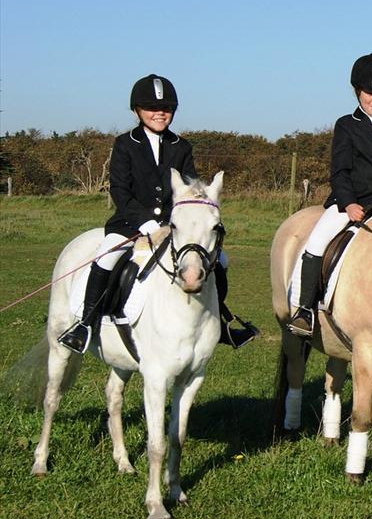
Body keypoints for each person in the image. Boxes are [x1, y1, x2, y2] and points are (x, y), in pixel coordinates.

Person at [57, 74, 258, 353]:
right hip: (129, 224)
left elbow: (188, 189)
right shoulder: (125, 143)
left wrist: (180, 217)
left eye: (166, 109)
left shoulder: (182, 146)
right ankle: (85, 324)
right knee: (106, 257)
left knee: (219, 260)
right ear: (137, 111)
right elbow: (119, 190)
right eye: (152, 108)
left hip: (171, 226)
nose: (159, 114)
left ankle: (221, 321)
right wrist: (144, 220)